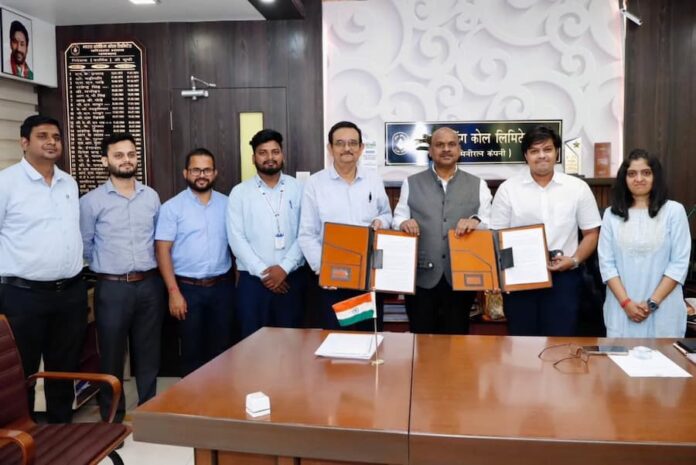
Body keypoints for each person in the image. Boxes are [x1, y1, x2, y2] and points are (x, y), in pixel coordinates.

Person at [0, 115, 86, 423]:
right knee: (20, 371)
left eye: (56, 137)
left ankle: (60, 429)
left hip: (70, 293)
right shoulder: (6, 183)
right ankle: (20, 434)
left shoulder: (68, 182)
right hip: (23, 295)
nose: (51, 142)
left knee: (63, 368)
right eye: (43, 136)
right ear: (24, 143)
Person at [80, 132, 165, 422]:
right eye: (118, 155)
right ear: (105, 160)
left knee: (149, 352)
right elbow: (86, 245)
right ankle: (112, 418)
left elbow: (158, 240)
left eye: (131, 154)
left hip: (149, 285)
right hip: (112, 288)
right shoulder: (91, 202)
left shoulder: (151, 196)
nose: (126, 160)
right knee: (111, 356)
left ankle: (150, 414)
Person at [490, 125, 601, 336]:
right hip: (520, 279)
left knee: (560, 342)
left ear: (557, 152)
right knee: (522, 344)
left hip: (564, 277)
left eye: (547, 149)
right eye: (534, 151)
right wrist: (504, 277)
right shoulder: (508, 189)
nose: (541, 155)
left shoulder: (577, 188)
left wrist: (575, 260)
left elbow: (591, 233)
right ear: (526, 156)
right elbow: (497, 237)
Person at [392, 127, 492, 334]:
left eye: (451, 144)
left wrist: (475, 221)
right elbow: (398, 217)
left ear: (459, 150)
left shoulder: (478, 184)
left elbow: (489, 220)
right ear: (430, 151)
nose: (446, 149)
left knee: (456, 340)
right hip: (421, 278)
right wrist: (404, 223)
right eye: (439, 145)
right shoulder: (411, 183)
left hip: (461, 277)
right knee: (421, 340)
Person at [298, 121, 392, 330]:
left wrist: (381, 221)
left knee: (369, 337)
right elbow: (307, 234)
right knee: (335, 338)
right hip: (333, 280)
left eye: (352, 143)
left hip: (368, 277)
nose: (347, 148)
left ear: (361, 148)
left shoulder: (373, 180)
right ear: (330, 148)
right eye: (340, 143)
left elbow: (386, 214)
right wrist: (323, 270)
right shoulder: (315, 183)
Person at [156, 148, 234, 375]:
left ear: (215, 173)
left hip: (222, 288)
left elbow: (236, 245)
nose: (202, 175)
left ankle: (220, 395)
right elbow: (162, 251)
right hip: (187, 290)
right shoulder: (172, 208)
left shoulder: (228, 204)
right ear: (185, 173)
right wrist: (173, 293)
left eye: (207, 170)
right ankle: (192, 397)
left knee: (223, 350)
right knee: (191, 352)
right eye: (196, 170)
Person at [598, 149, 691, 337]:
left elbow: (679, 264)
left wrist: (652, 303)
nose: (639, 179)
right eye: (632, 174)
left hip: (664, 308)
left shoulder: (674, 211)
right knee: (620, 356)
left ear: (655, 176)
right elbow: (607, 264)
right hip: (621, 308)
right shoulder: (611, 214)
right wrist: (626, 303)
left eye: (646, 173)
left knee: (664, 355)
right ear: (624, 178)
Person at [227, 130, 305, 339]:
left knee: (292, 344)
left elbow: (305, 233)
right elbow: (236, 238)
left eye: (275, 152)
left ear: (282, 155)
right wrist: (266, 274)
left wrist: (284, 268)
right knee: (252, 345)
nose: (270, 157)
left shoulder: (299, 189)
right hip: (253, 282)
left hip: (292, 279)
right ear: (254, 158)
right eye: (263, 153)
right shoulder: (239, 193)